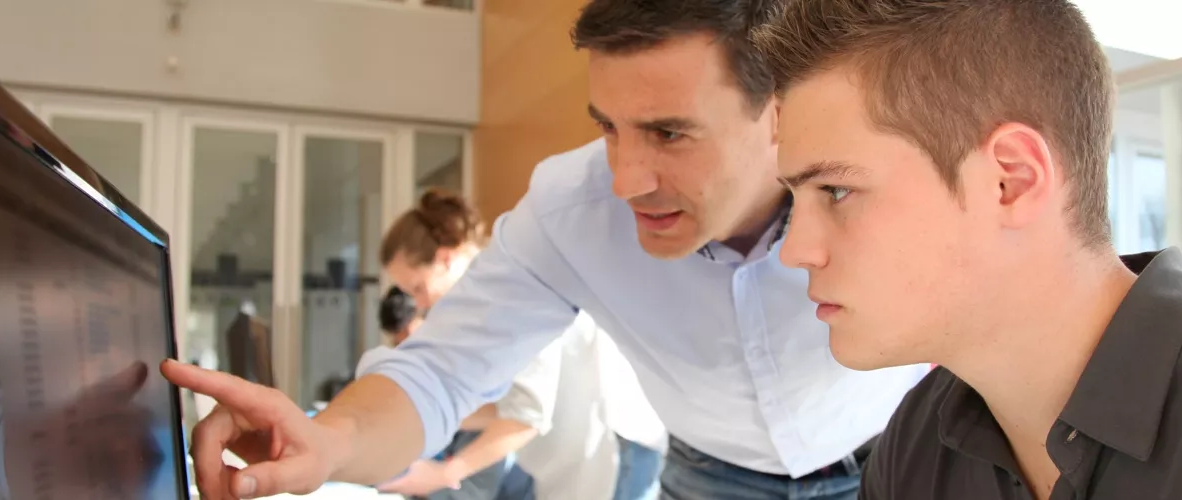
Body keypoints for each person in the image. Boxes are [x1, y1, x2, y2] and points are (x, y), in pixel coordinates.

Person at [157, 0, 930, 498]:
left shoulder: (885, 176)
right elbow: (440, 371)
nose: (625, 180)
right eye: (607, 126)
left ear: (778, 111)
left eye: (668, 133)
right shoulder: (569, 209)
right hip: (712, 479)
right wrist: (327, 442)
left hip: (910, 460)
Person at [750, 1, 1182, 499]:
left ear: (1010, 180)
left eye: (836, 190)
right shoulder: (918, 444)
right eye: (795, 199)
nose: (796, 251)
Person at [369, 191, 667, 500]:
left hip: (611, 448)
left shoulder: (507, 289)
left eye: (418, 288)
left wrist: (445, 473)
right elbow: (507, 405)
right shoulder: (481, 305)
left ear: (446, 258)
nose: (418, 303)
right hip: (572, 454)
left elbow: (526, 416)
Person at [372, 284, 536, 500]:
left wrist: (427, 481)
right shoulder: (432, 383)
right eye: (399, 343)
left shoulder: (475, 373)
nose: (408, 352)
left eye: (410, 338)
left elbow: (474, 491)